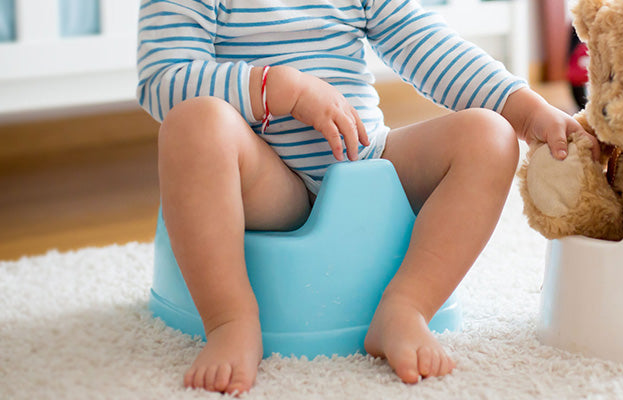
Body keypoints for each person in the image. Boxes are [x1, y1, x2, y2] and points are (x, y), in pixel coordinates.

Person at [138, 0, 589, 393]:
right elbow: (163, 80)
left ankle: (407, 306)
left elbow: (427, 44)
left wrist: (525, 111)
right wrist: (277, 89)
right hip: (265, 180)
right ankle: (229, 319)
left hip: (366, 161)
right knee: (193, 124)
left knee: (489, 136)